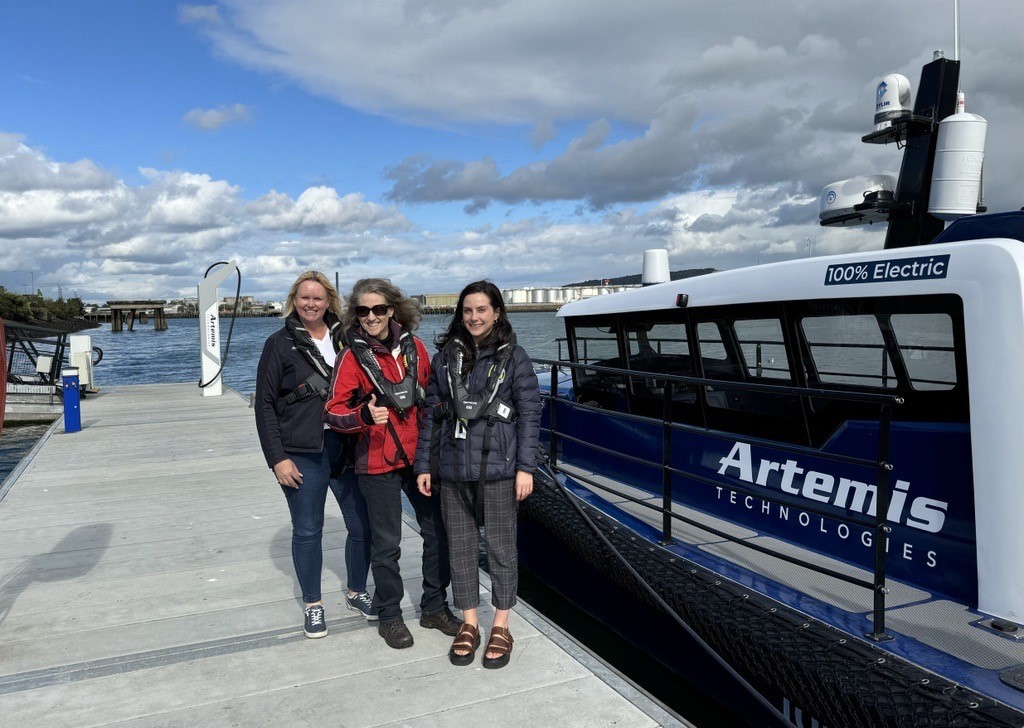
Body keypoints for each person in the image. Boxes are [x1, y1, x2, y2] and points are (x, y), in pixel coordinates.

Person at [324, 278, 459, 649]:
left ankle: (434, 606)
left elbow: (433, 400)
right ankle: (390, 615)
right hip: (376, 461)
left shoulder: (414, 348)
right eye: (364, 310)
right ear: (356, 313)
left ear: (393, 310)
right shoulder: (351, 356)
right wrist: (363, 416)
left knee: (437, 533)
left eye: (379, 309)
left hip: (419, 460)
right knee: (387, 545)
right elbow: (333, 411)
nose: (371, 317)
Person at [414, 280, 541, 668]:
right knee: (462, 550)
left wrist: (526, 468)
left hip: (500, 470)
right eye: (467, 311)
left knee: (502, 550)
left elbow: (531, 414)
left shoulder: (515, 358)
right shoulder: (444, 359)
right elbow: (431, 416)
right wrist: (424, 464)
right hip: (452, 469)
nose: (474, 317)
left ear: (497, 312)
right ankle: (470, 621)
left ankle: (501, 625)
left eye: (482, 310)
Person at [255, 271, 375, 639]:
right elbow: (264, 405)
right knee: (308, 530)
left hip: (348, 445)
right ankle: (313, 604)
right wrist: (277, 458)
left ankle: (357, 591)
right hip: (301, 452)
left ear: (329, 302)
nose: (311, 304)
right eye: (304, 298)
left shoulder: (348, 339)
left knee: (361, 524)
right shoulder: (279, 344)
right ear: (295, 299)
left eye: (318, 299)